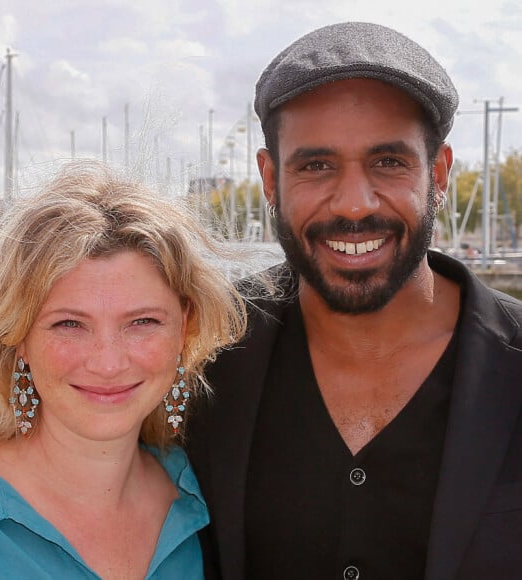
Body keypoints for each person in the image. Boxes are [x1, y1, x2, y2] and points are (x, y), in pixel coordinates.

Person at [186, 21, 522, 580]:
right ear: (270, 180)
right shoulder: (202, 352)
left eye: (388, 162)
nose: (356, 204)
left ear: (438, 173)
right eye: (316, 166)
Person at [0, 160, 246, 579]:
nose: (107, 362)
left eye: (142, 322)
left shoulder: (212, 500)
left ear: (185, 327)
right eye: (69, 324)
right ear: (17, 334)